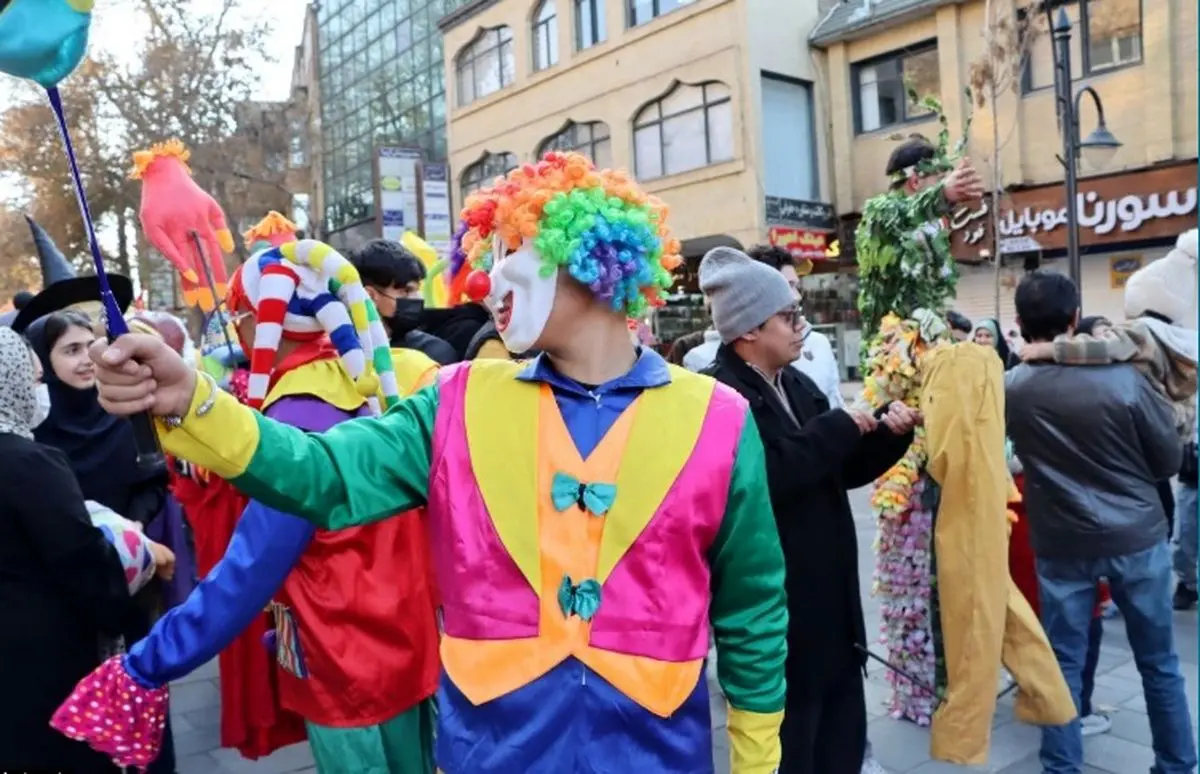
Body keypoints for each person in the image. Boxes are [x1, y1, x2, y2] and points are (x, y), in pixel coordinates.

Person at [65, 151, 789, 774]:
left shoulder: (718, 418)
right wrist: (193, 397)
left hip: (655, 753)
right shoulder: (454, 401)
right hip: (489, 751)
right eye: (487, 258)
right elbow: (322, 473)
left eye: (513, 252)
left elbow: (752, 608)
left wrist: (757, 761)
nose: (487, 281)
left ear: (591, 257)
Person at [55, 240, 441, 773]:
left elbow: (249, 568)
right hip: (416, 644)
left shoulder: (298, 416)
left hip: (347, 666)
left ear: (264, 324)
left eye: (239, 317)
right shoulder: (394, 376)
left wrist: (145, 665)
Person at [698, 246, 917, 774]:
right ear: (749, 330)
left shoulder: (795, 383)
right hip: (777, 606)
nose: (802, 326)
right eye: (788, 316)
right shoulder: (720, 395)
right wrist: (837, 429)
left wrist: (887, 438)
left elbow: (832, 471)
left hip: (833, 605)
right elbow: (766, 475)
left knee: (840, 738)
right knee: (794, 742)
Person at [1006, 270, 1196, 774]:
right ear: (1074, 317)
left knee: (1062, 663)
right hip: (1137, 534)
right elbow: (1167, 462)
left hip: (1060, 537)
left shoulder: (1012, 388)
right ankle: (1177, 764)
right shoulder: (1129, 377)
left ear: (1021, 324)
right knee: (1158, 664)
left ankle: (1061, 766)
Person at [0, 326, 150, 772]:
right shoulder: (29, 463)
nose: (38, 389)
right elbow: (82, 561)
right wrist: (126, 613)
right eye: (33, 378)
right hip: (46, 657)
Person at [351, 238, 458, 365]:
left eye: (417, 290)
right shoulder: (344, 352)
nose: (417, 298)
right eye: (407, 291)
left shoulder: (434, 354)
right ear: (370, 296)